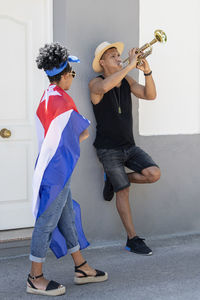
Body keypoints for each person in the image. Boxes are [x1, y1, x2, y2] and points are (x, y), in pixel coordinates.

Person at [27, 43, 107, 297]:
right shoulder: (62, 99)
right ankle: (35, 277)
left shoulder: (46, 96)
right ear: (64, 75)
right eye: (72, 74)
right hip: (58, 169)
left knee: (66, 218)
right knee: (46, 223)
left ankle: (81, 267)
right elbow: (82, 131)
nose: (72, 79)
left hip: (49, 165)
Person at [89, 41, 161, 256]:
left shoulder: (127, 81)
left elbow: (150, 95)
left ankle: (115, 178)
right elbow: (103, 88)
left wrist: (147, 72)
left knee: (153, 173)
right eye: (113, 56)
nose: (119, 58)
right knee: (123, 191)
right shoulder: (95, 83)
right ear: (102, 62)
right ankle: (132, 239)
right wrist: (130, 66)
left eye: (119, 55)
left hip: (129, 146)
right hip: (108, 149)